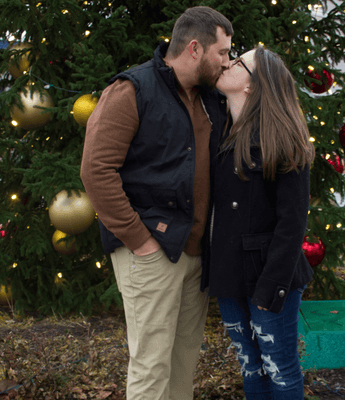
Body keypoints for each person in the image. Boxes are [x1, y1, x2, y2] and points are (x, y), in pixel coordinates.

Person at [80, 7, 233, 400]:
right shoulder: (133, 89)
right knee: (151, 368)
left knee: (182, 365)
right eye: (222, 53)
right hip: (150, 252)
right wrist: (140, 241)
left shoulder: (211, 99)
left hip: (196, 254)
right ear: (195, 48)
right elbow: (96, 171)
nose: (227, 62)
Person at [201, 46, 315, 399]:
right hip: (229, 274)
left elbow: (292, 222)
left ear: (252, 85)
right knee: (251, 366)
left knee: (280, 368)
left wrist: (274, 285)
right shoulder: (219, 131)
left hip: (269, 275)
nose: (227, 63)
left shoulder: (281, 139)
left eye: (237, 62)